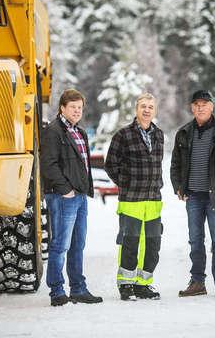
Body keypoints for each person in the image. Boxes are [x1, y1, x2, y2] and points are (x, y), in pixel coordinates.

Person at [171, 90, 215, 299]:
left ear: (212, 107)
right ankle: (197, 282)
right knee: (195, 240)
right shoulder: (184, 132)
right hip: (193, 196)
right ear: (192, 108)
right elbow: (175, 164)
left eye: (204, 104)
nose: (200, 107)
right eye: (196, 104)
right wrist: (179, 187)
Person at [40, 88, 103, 306]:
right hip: (62, 196)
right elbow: (48, 164)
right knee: (60, 245)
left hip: (79, 196)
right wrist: (65, 189)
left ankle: (78, 289)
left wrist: (83, 190)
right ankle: (57, 291)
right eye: (72, 107)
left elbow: (82, 166)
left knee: (78, 244)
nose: (77, 111)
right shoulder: (53, 131)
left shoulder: (80, 132)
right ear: (62, 108)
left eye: (79, 108)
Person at [105, 93, 164, 301]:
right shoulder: (123, 135)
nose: (147, 110)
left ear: (154, 111)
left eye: (150, 107)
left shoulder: (159, 135)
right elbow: (110, 164)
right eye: (143, 107)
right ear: (136, 110)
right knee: (130, 244)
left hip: (153, 200)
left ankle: (143, 284)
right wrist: (126, 181)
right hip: (131, 200)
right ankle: (126, 284)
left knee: (152, 246)